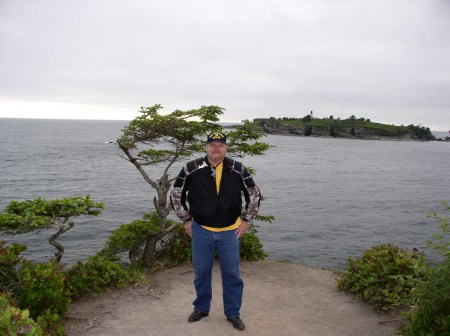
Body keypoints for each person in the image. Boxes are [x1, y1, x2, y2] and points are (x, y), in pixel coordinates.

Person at [170, 131, 261, 331]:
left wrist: (246, 221)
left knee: (232, 274)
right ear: (206, 147)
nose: (216, 148)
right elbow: (176, 195)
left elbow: (254, 195)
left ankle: (233, 313)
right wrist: (186, 219)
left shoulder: (237, 168)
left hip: (230, 232)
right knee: (201, 272)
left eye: (220, 145)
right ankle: (201, 308)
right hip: (201, 230)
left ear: (226, 148)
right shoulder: (191, 168)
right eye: (212, 145)